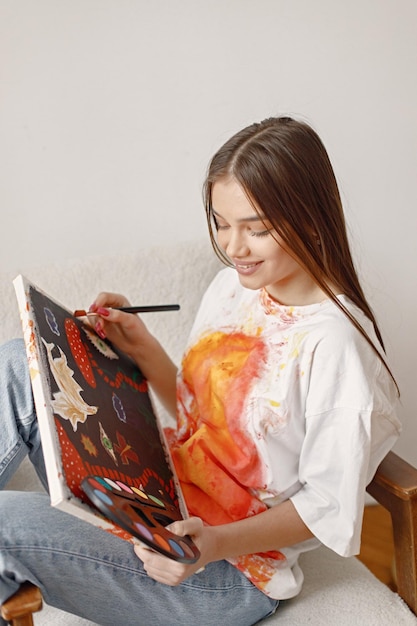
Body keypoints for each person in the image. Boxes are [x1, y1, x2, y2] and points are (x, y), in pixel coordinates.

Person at [0, 116, 401, 625]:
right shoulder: (234, 287)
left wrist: (211, 545)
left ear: (312, 219)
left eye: (256, 229)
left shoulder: (337, 346)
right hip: (158, 497)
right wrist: (138, 346)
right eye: (220, 222)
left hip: (222, 573)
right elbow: (198, 412)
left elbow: (326, 507)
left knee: (4, 522)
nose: (234, 247)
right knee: (19, 359)